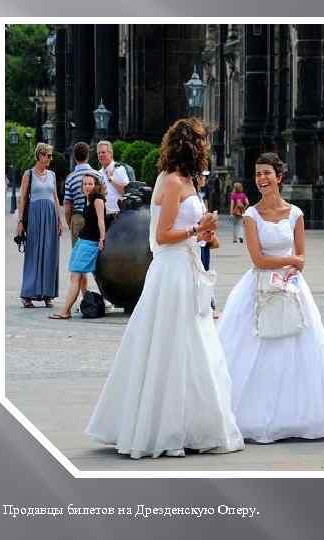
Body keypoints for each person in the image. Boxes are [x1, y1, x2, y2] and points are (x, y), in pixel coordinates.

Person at [86, 118, 244, 458]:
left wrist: (206, 234)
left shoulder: (189, 181)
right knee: (170, 343)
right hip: (172, 270)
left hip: (187, 266)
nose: (206, 147)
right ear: (189, 146)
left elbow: (189, 229)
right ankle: (163, 425)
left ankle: (191, 423)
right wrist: (196, 230)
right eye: (202, 142)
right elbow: (162, 235)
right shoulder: (172, 181)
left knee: (194, 344)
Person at [216, 152, 324, 443]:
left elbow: (302, 257)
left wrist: (293, 266)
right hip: (259, 284)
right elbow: (258, 259)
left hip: (291, 285)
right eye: (258, 173)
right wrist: (289, 261)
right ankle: (254, 414)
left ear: (279, 177)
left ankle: (297, 415)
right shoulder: (250, 216)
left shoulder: (295, 214)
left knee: (296, 345)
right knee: (255, 347)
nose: (261, 178)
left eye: (267, 173)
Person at [49, 173, 106, 319]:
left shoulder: (98, 200)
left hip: (90, 243)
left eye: (90, 184)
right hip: (82, 241)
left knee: (75, 276)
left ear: (96, 185)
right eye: (85, 184)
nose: (87, 186)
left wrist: (102, 239)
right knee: (78, 277)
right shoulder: (88, 199)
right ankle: (79, 305)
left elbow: (101, 221)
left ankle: (65, 311)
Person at [17, 143, 63, 308]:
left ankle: (47, 294)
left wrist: (59, 220)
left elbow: (55, 197)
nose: (50, 158)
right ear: (39, 155)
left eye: (51, 155)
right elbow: (23, 198)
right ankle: (27, 294)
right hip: (35, 217)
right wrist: (20, 221)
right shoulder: (28, 174)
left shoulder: (52, 174)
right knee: (33, 253)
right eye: (47, 155)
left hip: (50, 217)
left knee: (50, 254)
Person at [64, 142, 98, 299]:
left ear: (74, 157)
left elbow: (67, 205)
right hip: (95, 218)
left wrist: (70, 222)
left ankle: (86, 298)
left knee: (79, 263)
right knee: (97, 257)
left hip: (77, 218)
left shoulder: (70, 178)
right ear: (88, 155)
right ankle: (104, 295)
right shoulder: (97, 175)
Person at [196, 169, 220, 318]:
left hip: (204, 242)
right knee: (201, 273)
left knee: (205, 273)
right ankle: (208, 305)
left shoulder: (199, 195)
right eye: (202, 176)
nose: (204, 178)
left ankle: (209, 304)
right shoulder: (193, 196)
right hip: (197, 241)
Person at [97, 140, 130, 229]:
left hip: (117, 216)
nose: (100, 155)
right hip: (103, 217)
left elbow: (126, 191)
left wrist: (111, 179)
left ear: (111, 154)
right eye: (98, 153)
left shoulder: (119, 169)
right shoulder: (98, 173)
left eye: (103, 152)